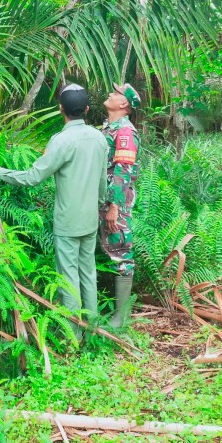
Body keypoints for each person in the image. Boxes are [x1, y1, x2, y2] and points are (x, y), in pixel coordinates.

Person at [0, 84, 108, 327]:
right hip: (91, 219)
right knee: (88, 274)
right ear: (87, 109)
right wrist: (98, 206)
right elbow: (103, 183)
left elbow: (32, 177)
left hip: (68, 222)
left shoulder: (61, 141)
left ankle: (73, 335)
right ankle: (94, 331)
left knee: (68, 278)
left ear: (61, 109)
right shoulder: (99, 138)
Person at [100, 83, 141, 328]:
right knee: (109, 250)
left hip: (115, 203)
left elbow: (123, 170)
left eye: (115, 93)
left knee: (121, 252)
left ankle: (121, 317)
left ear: (124, 103)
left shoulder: (125, 131)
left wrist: (114, 206)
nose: (110, 94)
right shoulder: (109, 128)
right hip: (103, 200)